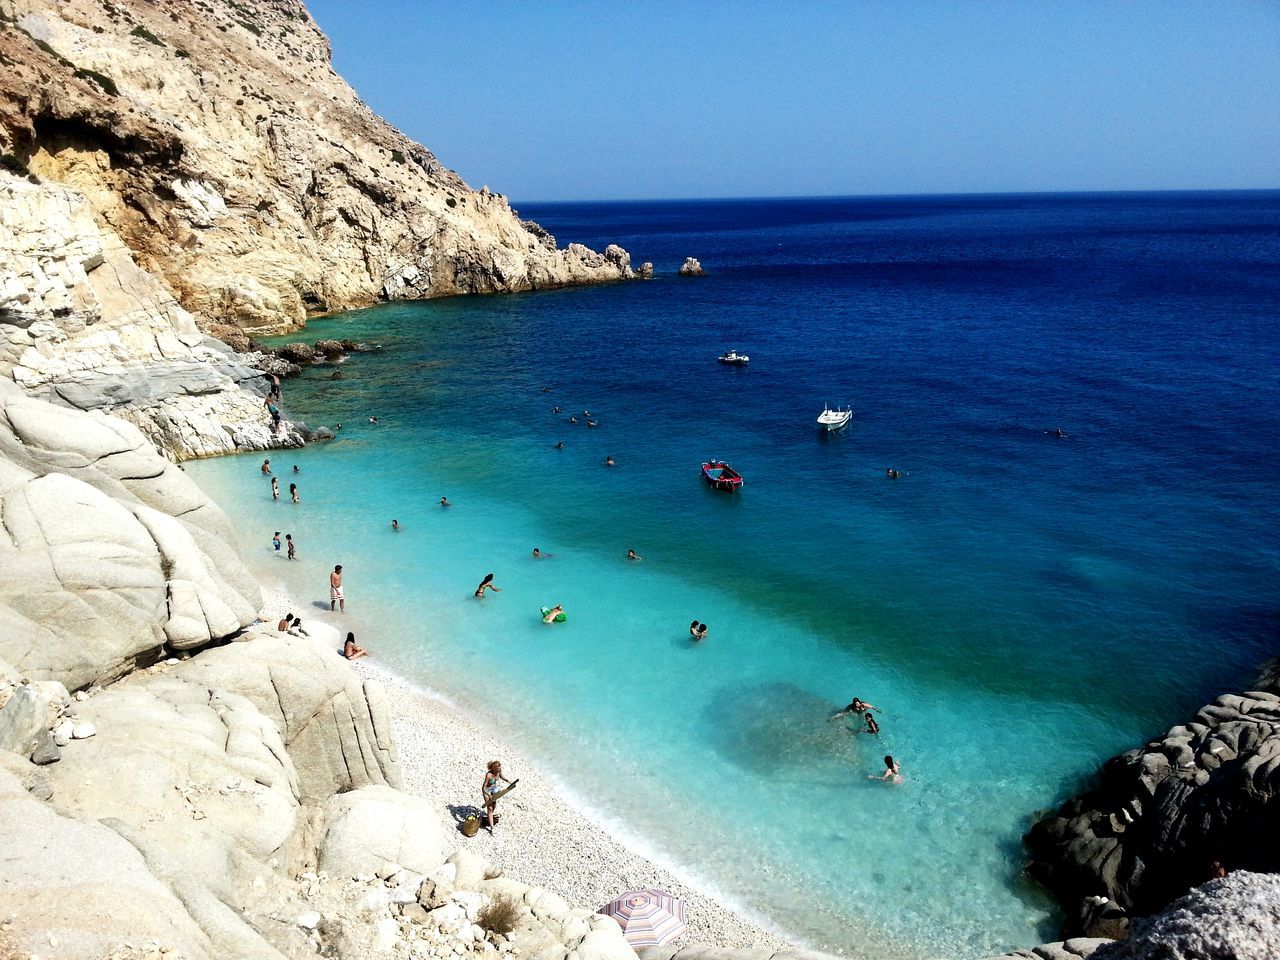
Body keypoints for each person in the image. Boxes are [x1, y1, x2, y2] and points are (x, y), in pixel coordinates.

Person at [481, 760, 510, 833]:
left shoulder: (499, 771)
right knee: (490, 808)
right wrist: (488, 795)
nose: (499, 769)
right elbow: (483, 788)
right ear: (493, 768)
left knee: (494, 805)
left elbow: (501, 776)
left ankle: (489, 816)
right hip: (487, 790)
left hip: (494, 789)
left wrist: (507, 780)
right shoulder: (488, 775)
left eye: (500, 767)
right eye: (498, 768)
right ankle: (492, 827)